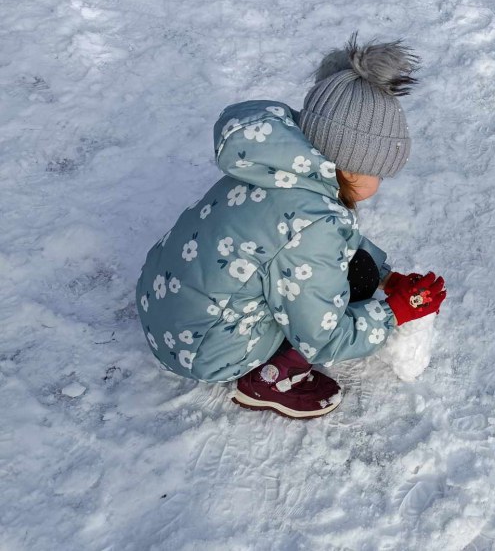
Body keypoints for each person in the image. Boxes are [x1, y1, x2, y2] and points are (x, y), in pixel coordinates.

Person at [135, 38, 446, 418]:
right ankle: (268, 380)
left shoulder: (279, 169)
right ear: (350, 166)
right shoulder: (314, 224)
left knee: (359, 271)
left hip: (166, 305)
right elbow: (323, 337)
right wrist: (394, 312)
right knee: (338, 291)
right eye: (378, 171)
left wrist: (387, 278)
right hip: (203, 349)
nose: (381, 181)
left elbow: (320, 241)